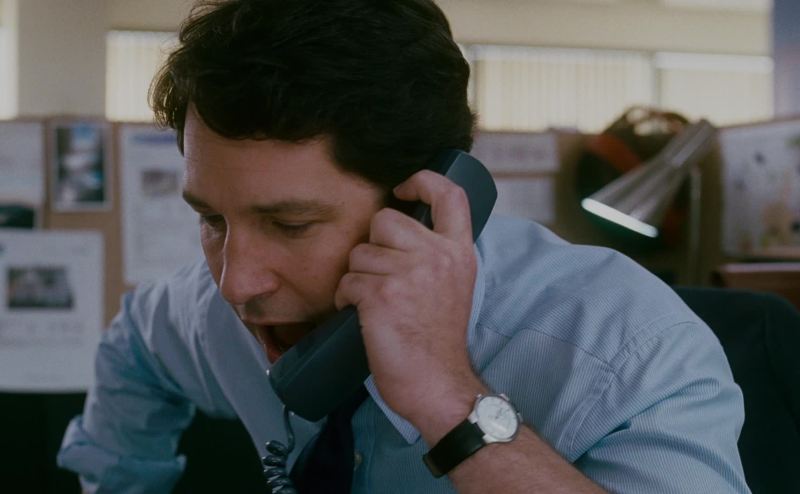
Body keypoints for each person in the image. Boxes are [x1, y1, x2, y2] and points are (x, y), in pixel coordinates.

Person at [58, 0, 750, 492]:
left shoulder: (626, 349)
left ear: (425, 204)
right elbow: (134, 348)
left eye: (291, 225)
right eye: (213, 219)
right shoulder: (217, 314)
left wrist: (449, 400)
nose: (237, 283)